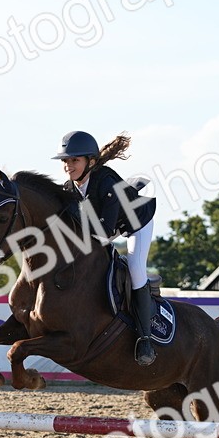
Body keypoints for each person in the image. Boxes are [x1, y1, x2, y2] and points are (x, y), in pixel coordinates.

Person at [53, 130, 158, 366]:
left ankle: (145, 339)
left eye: (74, 160)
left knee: (136, 269)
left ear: (90, 162)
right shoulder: (70, 187)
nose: (68, 166)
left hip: (135, 222)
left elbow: (105, 233)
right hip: (107, 225)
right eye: (66, 161)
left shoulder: (106, 183)